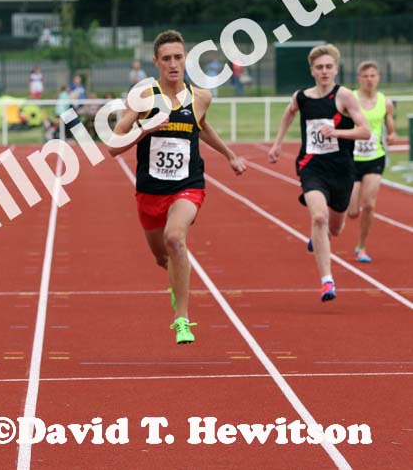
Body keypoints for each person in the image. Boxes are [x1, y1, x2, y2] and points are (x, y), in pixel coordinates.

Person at [109, 30, 247, 344]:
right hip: (150, 189)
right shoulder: (144, 97)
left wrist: (230, 156)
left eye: (179, 57)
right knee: (163, 257)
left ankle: (182, 318)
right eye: (167, 59)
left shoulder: (201, 96)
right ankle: (176, 286)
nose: (174, 64)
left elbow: (202, 125)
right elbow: (113, 145)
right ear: (156, 62)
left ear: (186, 59)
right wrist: (145, 127)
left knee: (175, 238)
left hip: (188, 183)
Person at [268, 44, 370, 302]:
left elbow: (365, 131)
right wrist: (278, 143)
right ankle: (327, 281)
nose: (324, 71)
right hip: (311, 167)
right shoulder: (301, 97)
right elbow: (289, 113)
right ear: (312, 70)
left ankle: (320, 236)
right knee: (319, 218)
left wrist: (337, 132)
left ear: (336, 69)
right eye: (319, 67)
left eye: (328, 67)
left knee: (335, 228)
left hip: (342, 169)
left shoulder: (344, 96)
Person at [346, 61, 397, 263]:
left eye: (373, 75)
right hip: (351, 159)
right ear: (359, 78)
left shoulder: (385, 102)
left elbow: (390, 124)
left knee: (369, 205)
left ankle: (361, 247)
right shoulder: (351, 99)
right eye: (365, 76)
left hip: (374, 157)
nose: (369, 79)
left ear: (378, 78)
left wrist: (392, 133)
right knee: (351, 212)